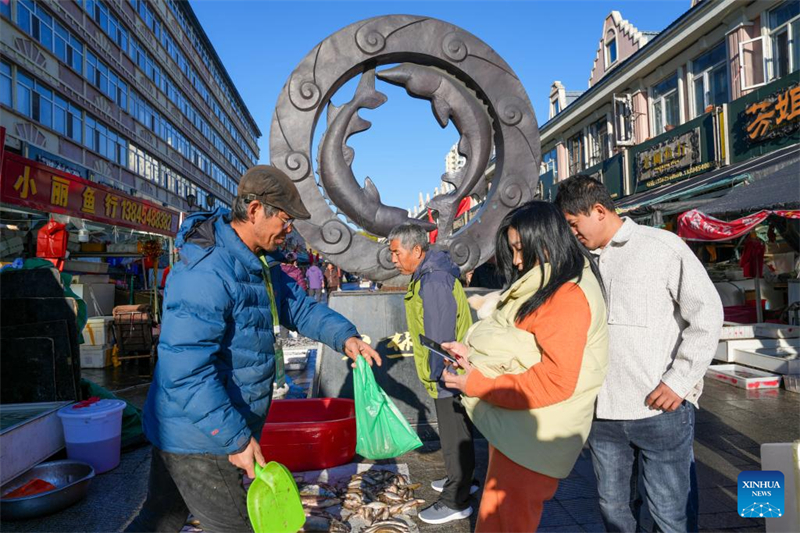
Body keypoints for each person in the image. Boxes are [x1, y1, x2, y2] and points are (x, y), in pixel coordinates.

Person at [127, 165, 380, 533]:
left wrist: (345, 336)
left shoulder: (258, 262)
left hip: (193, 425)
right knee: (233, 525)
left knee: (161, 517)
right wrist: (235, 438)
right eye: (286, 218)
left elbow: (298, 306)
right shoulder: (207, 272)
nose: (289, 228)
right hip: (200, 435)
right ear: (255, 209)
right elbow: (186, 372)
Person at [554, 175, 723, 533]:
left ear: (599, 210)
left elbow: (707, 315)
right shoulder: (577, 263)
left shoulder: (662, 247)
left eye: (574, 224)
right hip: (602, 415)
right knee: (613, 509)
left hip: (659, 410)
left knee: (670, 512)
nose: (572, 233)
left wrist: (679, 382)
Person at [440, 201, 609, 533]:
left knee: (507, 521)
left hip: (535, 437)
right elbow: (521, 346)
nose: (517, 260)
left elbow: (554, 381)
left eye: (521, 249)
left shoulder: (567, 295)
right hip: (522, 433)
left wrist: (475, 383)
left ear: (546, 240)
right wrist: (471, 356)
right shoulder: (553, 282)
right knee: (498, 516)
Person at [387, 223, 477, 525]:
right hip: (447, 369)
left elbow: (440, 335)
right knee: (457, 430)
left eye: (397, 253)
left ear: (416, 250)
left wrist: (439, 376)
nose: (394, 260)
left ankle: (456, 497)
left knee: (454, 434)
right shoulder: (429, 275)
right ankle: (461, 478)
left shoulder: (434, 280)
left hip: (448, 370)